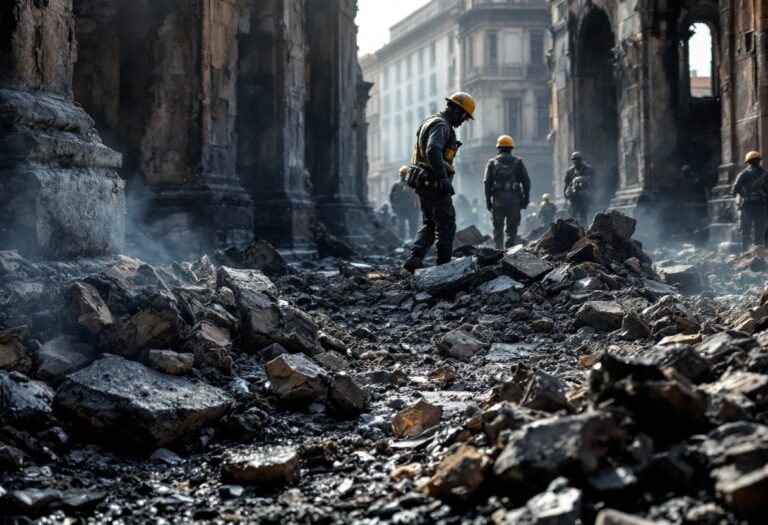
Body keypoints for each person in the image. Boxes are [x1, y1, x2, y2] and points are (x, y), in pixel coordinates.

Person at [402, 92, 475, 272]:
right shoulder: (442, 126)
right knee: (446, 224)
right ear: (458, 111)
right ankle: (444, 268)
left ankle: (415, 257)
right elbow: (433, 150)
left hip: (424, 183)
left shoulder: (430, 122)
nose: (463, 121)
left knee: (430, 224)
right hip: (434, 183)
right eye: (464, 116)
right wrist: (443, 178)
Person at [483, 135, 531, 249]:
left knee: (498, 228)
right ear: (511, 148)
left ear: (498, 148)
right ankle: (509, 253)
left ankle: (498, 252)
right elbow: (526, 181)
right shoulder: (518, 162)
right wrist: (526, 199)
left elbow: (486, 182)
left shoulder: (492, 162)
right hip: (514, 200)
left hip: (498, 200)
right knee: (512, 227)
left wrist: (488, 201)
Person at [732, 151, 768, 251]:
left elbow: (734, 190)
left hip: (750, 206)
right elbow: (735, 190)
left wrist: (743, 197)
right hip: (755, 206)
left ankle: (748, 253)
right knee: (757, 232)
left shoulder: (744, 174)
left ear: (748, 162)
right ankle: (755, 254)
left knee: (747, 232)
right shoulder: (764, 174)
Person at [564, 151, 595, 225]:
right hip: (573, 196)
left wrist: (592, 194)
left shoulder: (589, 170)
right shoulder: (569, 172)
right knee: (572, 214)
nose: (576, 161)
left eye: (577, 159)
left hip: (585, 196)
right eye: (574, 159)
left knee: (584, 214)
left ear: (581, 159)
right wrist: (566, 195)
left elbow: (593, 183)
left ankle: (584, 229)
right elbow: (566, 184)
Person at [390, 166, 420, 239]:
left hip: (410, 209)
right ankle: (403, 240)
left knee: (412, 226)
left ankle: (411, 240)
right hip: (401, 209)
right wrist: (394, 207)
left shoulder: (413, 184)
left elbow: (417, 196)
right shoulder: (397, 185)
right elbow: (391, 197)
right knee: (401, 227)